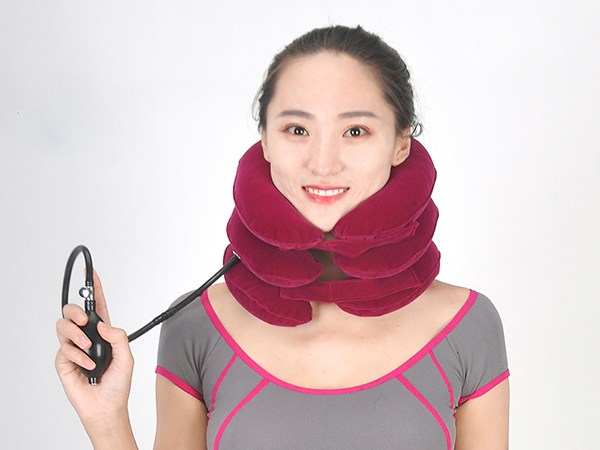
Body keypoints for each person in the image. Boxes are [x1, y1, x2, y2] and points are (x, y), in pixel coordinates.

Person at [56, 25, 509, 449]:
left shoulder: (467, 327)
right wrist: (108, 422)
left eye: (355, 131)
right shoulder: (195, 327)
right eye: (297, 129)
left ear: (401, 144)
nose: (323, 163)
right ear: (265, 142)